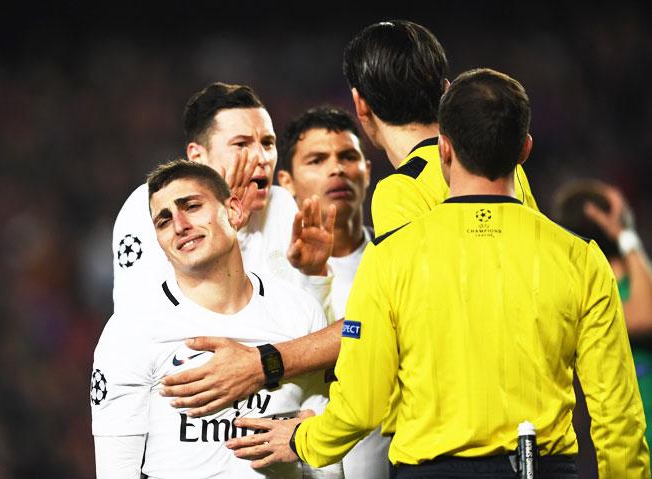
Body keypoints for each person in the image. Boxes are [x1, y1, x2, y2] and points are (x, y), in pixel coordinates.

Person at [226, 68, 650, 478]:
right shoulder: (580, 259)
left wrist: (306, 441)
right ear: (524, 150)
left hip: (429, 471)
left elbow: (362, 403)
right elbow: (618, 414)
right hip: (543, 467)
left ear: (443, 148)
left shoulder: (391, 257)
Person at [160, 20, 538, 419]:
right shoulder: (506, 174)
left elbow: (389, 323)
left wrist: (267, 366)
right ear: (445, 90)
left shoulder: (401, 191)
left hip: (454, 432)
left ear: (361, 106)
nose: (336, 171)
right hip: (527, 415)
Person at [92, 160, 340, 478]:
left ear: (234, 211)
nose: (179, 225)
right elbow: (116, 472)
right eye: (164, 221)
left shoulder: (299, 311)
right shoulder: (131, 331)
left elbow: (324, 455)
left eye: (192, 206)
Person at [112, 81, 336, 314]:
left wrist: (315, 276)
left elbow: (312, 336)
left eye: (268, 143)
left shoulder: (282, 207)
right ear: (198, 157)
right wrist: (228, 228)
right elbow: (141, 321)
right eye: (241, 144)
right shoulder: (151, 206)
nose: (262, 157)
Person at [277, 106, 390, 479]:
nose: (336, 168)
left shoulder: (398, 260)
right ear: (287, 182)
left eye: (348, 156)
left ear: (367, 171)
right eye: (317, 159)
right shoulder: (268, 276)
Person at [553, 179, 652, 464]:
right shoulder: (587, 289)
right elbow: (645, 316)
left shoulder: (637, 274)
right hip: (627, 439)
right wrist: (627, 234)